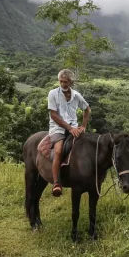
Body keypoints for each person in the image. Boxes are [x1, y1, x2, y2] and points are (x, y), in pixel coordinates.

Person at [47, 68, 90, 197]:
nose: (62, 84)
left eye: (65, 82)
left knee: (87, 148)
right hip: (57, 128)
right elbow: (53, 115)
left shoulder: (76, 95)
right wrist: (69, 128)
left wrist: (83, 126)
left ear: (71, 82)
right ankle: (56, 183)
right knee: (59, 150)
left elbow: (87, 109)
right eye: (60, 81)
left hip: (74, 128)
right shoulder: (53, 93)